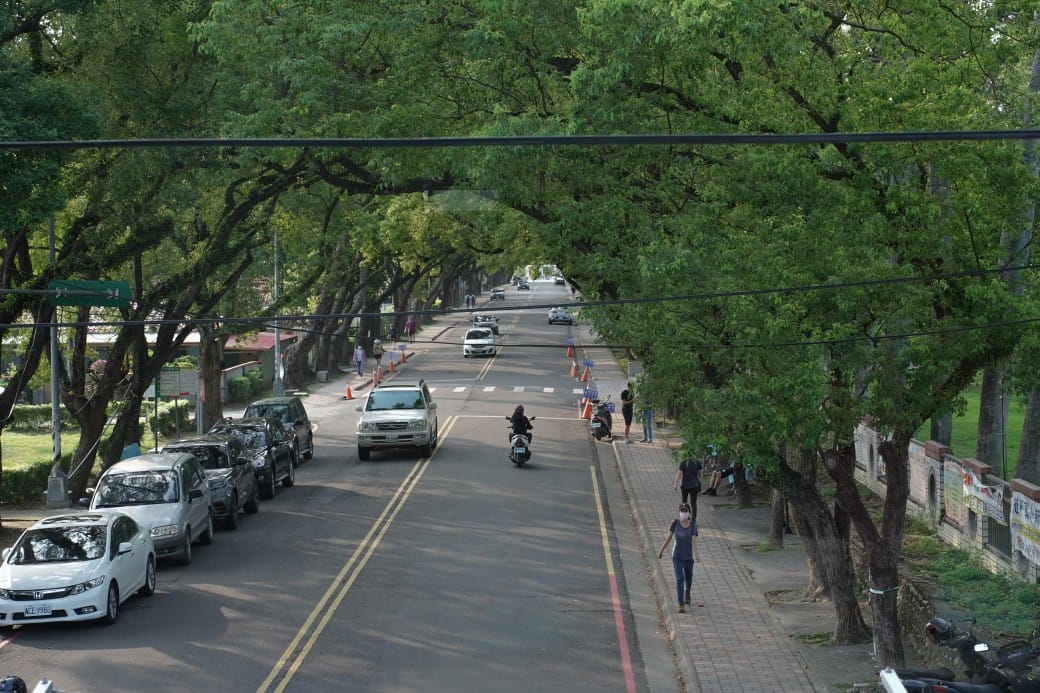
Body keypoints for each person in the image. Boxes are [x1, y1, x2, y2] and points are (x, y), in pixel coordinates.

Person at [657, 502, 700, 613]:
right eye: (682, 511)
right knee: (680, 579)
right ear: (679, 512)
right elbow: (668, 537)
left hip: (688, 557)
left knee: (688, 578)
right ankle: (681, 604)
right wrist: (661, 550)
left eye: (686, 511)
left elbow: (693, 540)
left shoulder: (693, 525)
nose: (683, 513)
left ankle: (687, 592)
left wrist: (696, 555)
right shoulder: (675, 523)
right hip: (677, 557)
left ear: (689, 513)